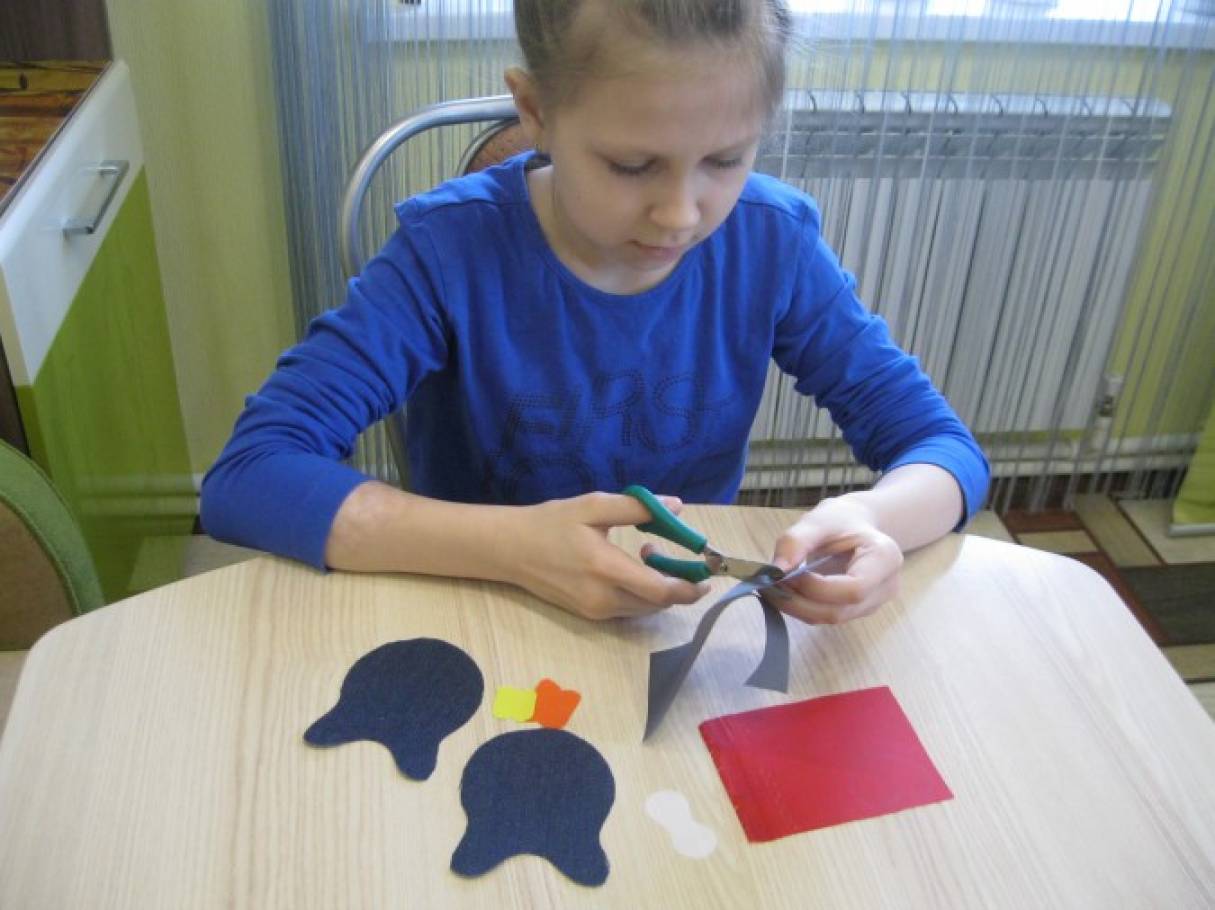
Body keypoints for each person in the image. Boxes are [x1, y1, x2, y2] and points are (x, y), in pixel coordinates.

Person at [201, 0, 989, 626]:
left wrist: (871, 518)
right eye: (631, 164)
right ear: (534, 110)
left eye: (725, 160)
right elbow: (249, 476)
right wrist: (513, 548)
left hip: (676, 624)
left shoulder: (771, 242)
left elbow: (943, 450)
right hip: (485, 612)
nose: (680, 214)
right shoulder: (447, 252)